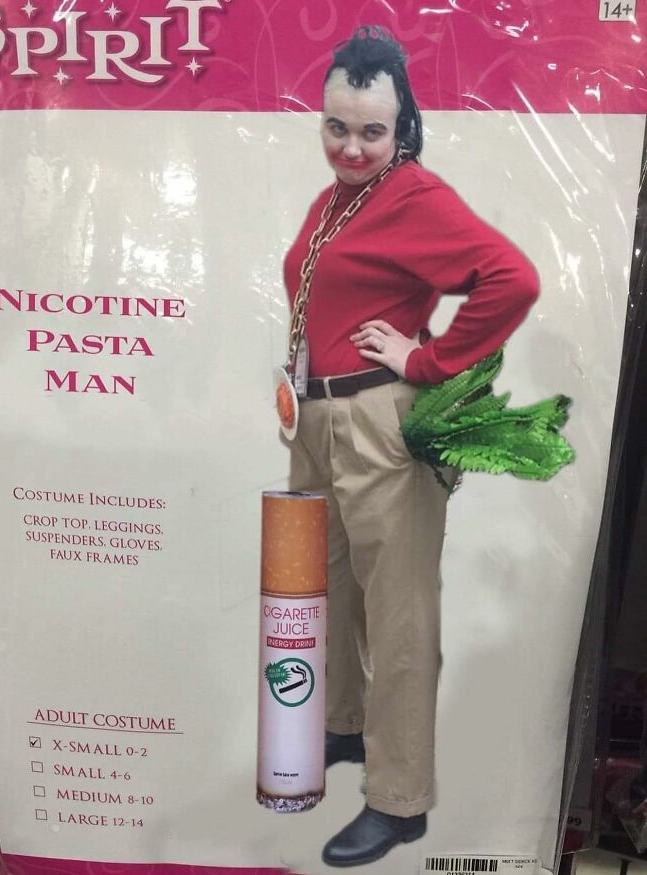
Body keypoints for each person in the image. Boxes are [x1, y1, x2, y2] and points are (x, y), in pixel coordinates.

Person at [283, 26, 539, 867]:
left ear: (403, 129)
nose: (351, 146)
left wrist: (426, 361)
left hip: (378, 424)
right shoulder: (336, 199)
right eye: (336, 126)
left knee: (398, 615)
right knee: (324, 591)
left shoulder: (413, 195)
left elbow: (512, 278)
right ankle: (342, 726)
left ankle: (398, 800)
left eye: (371, 131)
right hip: (318, 419)